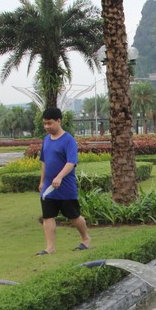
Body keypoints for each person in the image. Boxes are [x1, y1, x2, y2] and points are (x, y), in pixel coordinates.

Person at [36, 107, 91, 255]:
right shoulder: (46, 140)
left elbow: (71, 162)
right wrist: (42, 181)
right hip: (49, 188)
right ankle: (50, 248)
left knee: (74, 217)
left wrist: (59, 177)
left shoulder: (68, 140)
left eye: (50, 123)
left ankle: (85, 239)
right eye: (45, 124)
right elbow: (44, 162)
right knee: (48, 217)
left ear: (59, 121)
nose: (47, 126)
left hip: (66, 187)